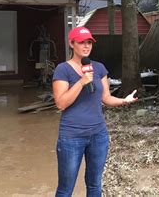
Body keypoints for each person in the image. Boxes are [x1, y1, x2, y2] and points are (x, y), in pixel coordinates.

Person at [52, 26, 138, 196]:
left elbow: (105, 98)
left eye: (89, 42)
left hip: (98, 135)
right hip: (71, 137)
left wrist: (124, 100)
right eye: (82, 42)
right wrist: (81, 82)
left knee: (94, 185)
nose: (86, 46)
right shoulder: (63, 69)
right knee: (65, 188)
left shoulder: (99, 68)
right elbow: (61, 104)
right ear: (71, 43)